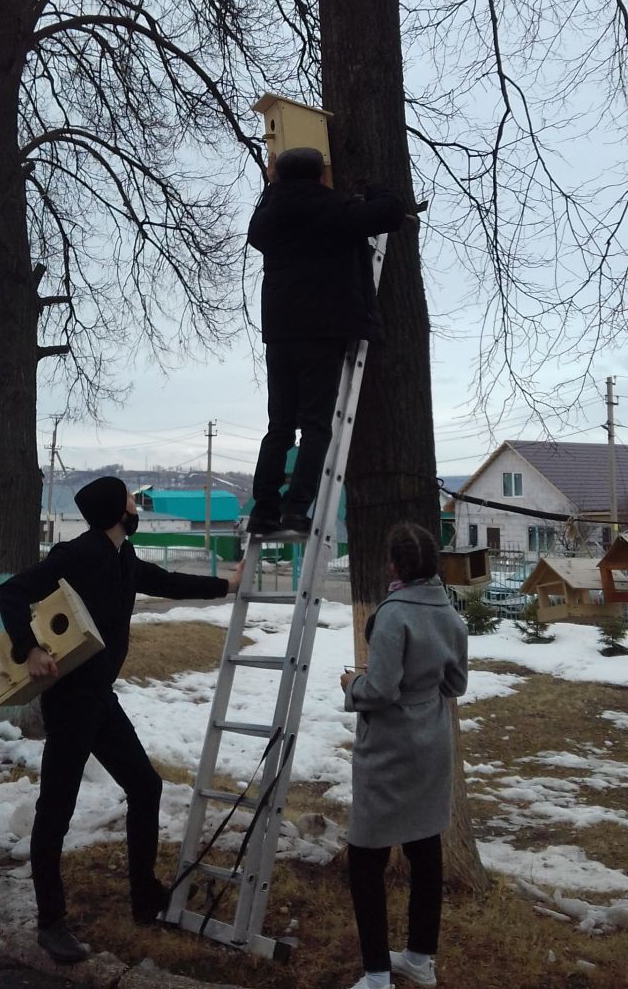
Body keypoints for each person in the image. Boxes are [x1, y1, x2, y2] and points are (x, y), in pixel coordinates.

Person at [0, 475, 242, 965]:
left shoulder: (123, 557)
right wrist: (30, 649)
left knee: (146, 787)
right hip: (70, 703)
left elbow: (166, 582)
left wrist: (226, 586)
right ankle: (50, 922)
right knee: (56, 811)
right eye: (131, 499)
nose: (136, 506)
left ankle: (145, 897)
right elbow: (11, 592)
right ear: (115, 510)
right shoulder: (74, 555)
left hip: (100, 700)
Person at [246, 147, 410, 535]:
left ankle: (264, 509)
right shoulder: (334, 208)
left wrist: (271, 187)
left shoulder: (267, 216)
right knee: (316, 426)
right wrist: (374, 188)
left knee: (279, 426)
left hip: (280, 333)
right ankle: (295, 509)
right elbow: (391, 213)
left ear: (279, 177)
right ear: (321, 176)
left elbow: (259, 227)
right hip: (323, 330)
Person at [339, 523, 468, 989]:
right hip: (431, 743)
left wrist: (352, 684)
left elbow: (380, 689)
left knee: (365, 858)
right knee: (424, 848)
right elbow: (456, 684)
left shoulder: (393, 614)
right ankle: (418, 958)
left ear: (394, 566)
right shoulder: (450, 612)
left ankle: (377, 975)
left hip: (390, 749)